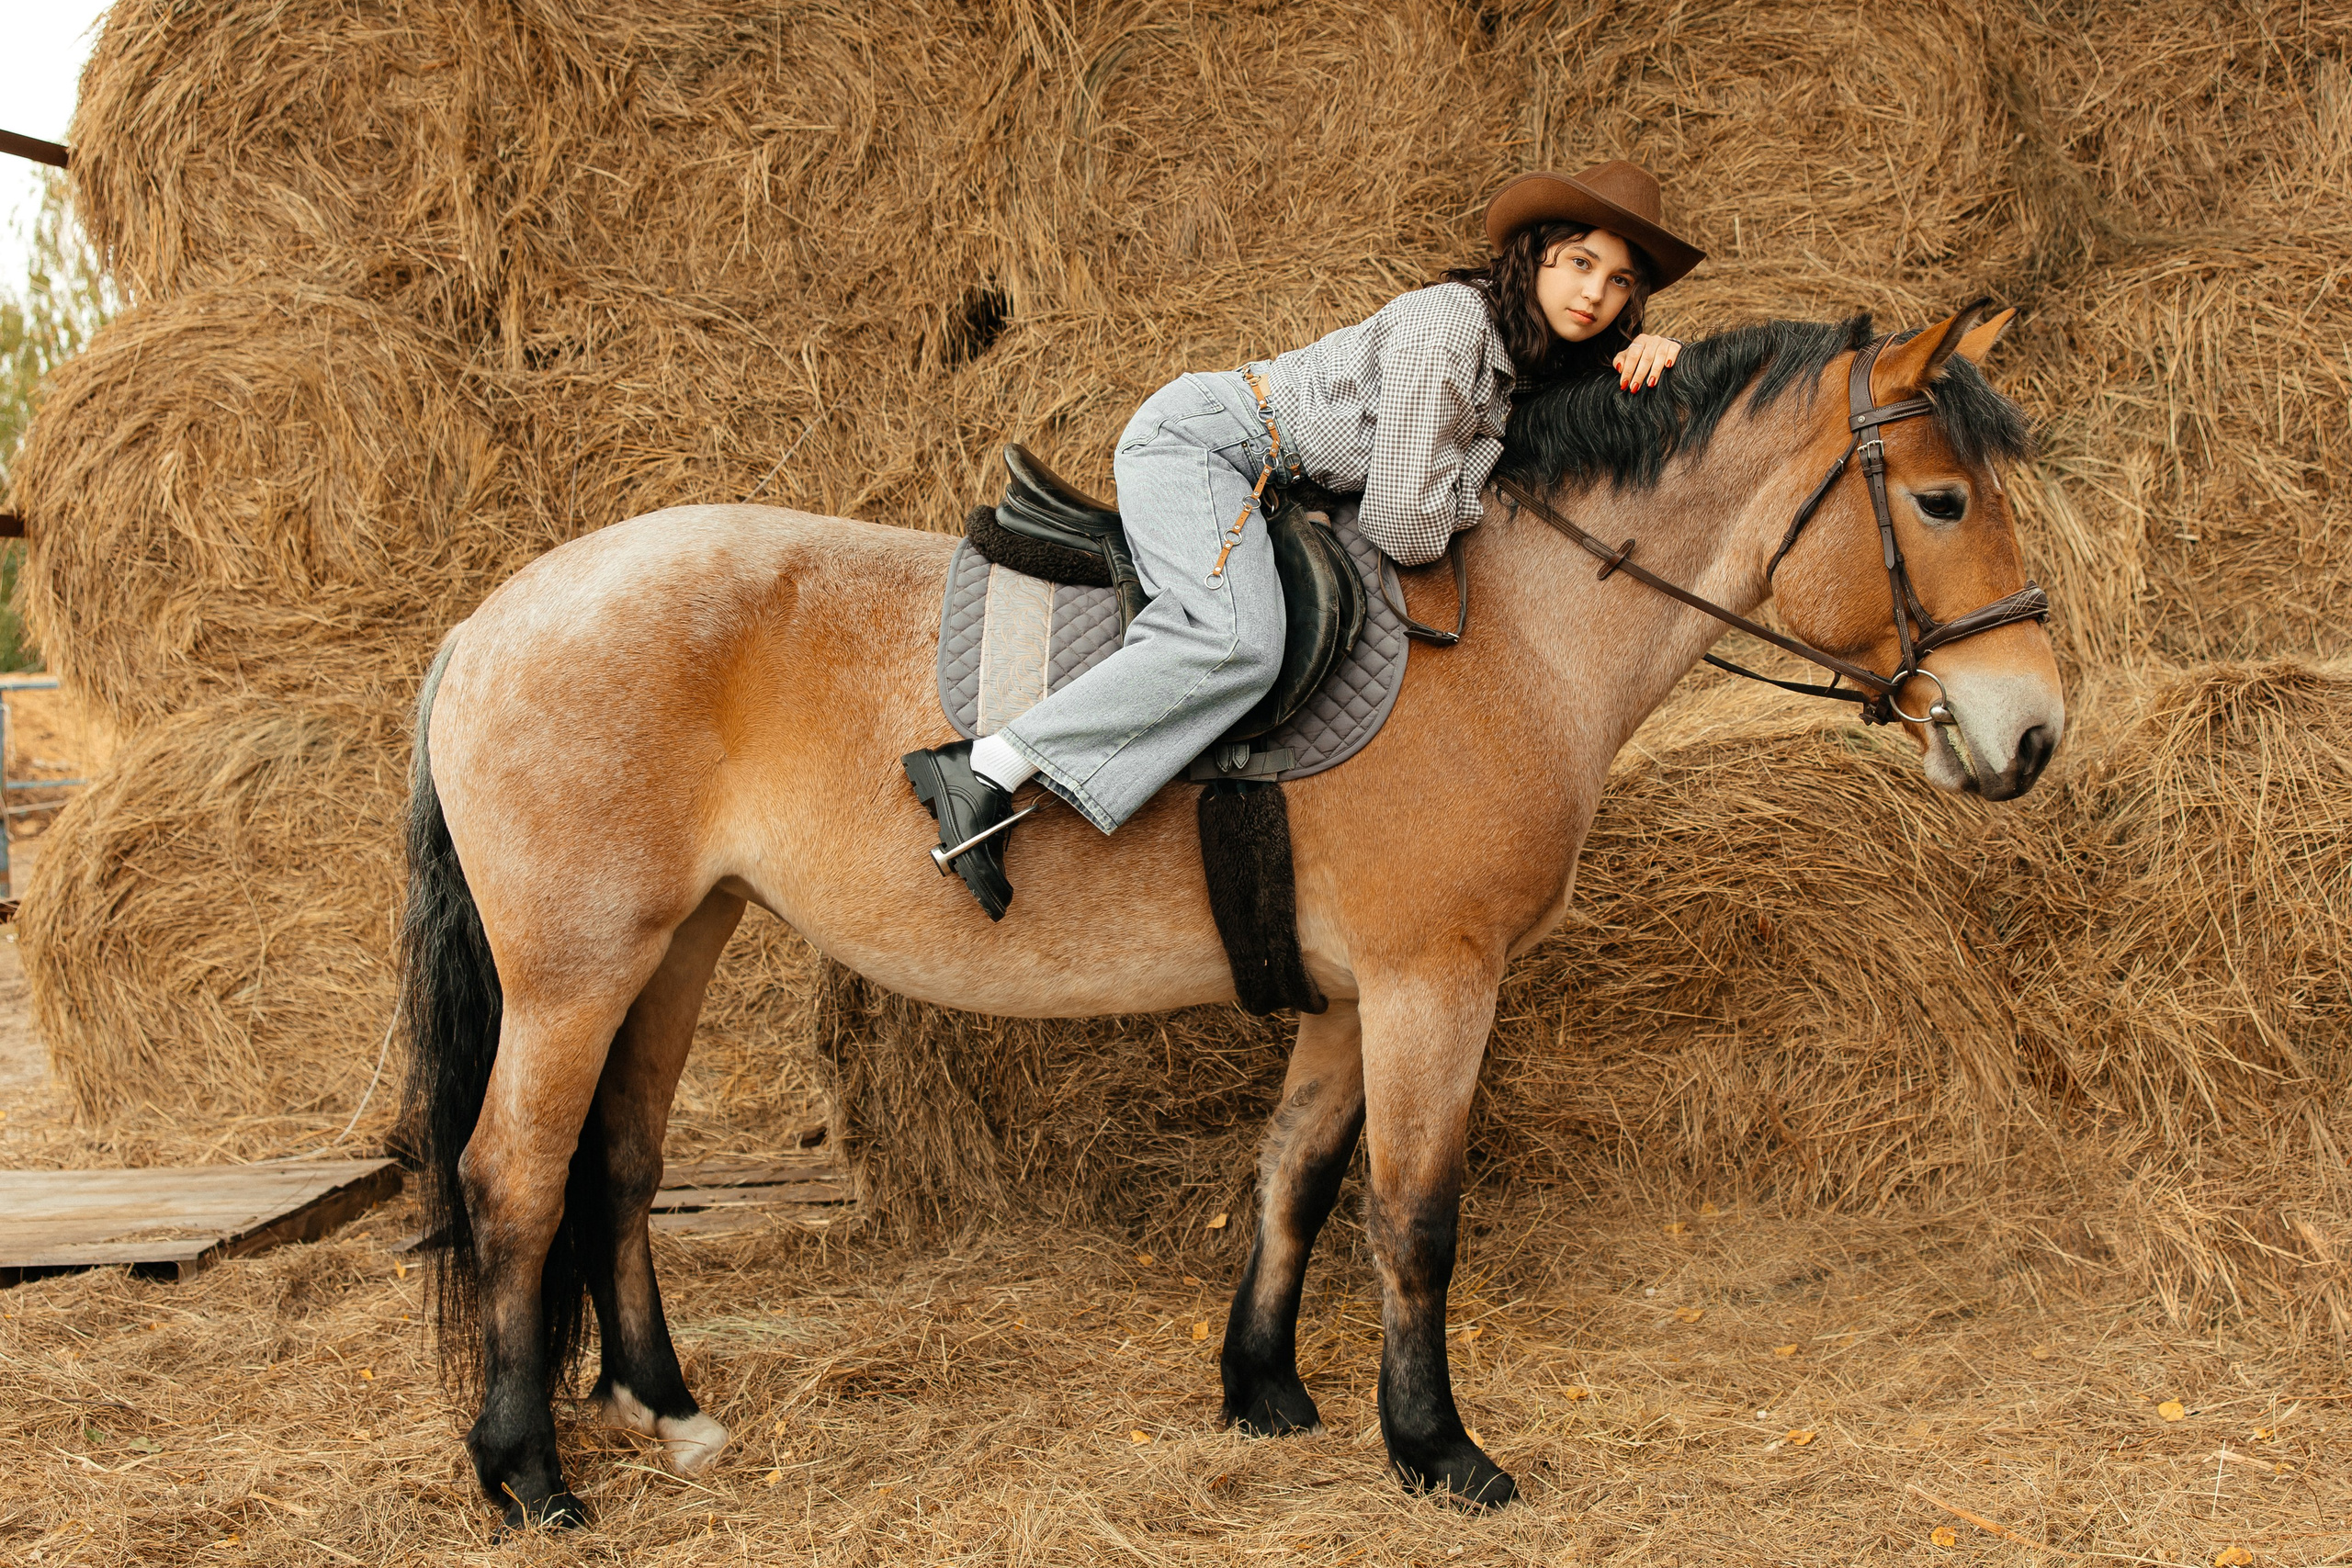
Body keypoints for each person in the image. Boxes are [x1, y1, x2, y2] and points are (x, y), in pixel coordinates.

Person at [903, 160, 1706, 919]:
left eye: (1620, 282)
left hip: (1273, 474)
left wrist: (1646, 358)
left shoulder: (1522, 353)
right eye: (1580, 262)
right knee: (1235, 641)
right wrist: (1474, 482)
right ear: (1535, 254)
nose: (1594, 293)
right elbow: (1404, 523)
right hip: (1206, 447)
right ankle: (984, 768)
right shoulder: (1453, 330)